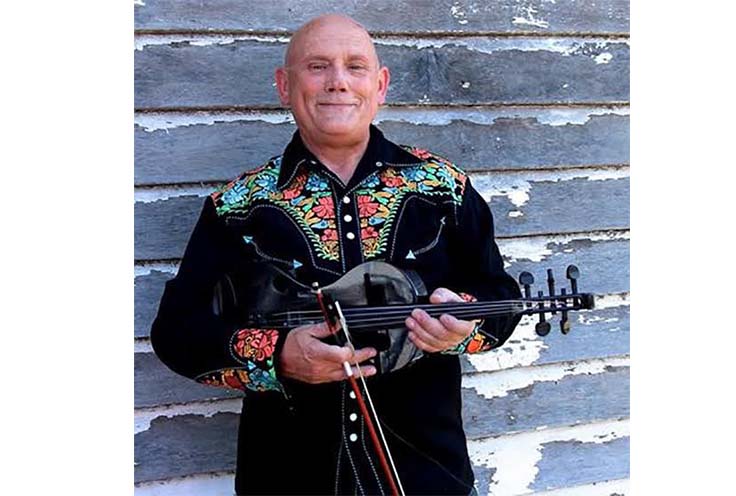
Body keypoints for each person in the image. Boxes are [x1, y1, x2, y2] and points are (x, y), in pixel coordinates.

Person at [151, 14, 521, 496]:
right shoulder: (237, 205)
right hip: (286, 482)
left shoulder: (443, 187)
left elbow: (501, 297)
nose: (338, 82)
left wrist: (464, 325)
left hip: (429, 476)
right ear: (285, 86)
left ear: (380, 85)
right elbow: (177, 332)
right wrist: (278, 356)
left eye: (355, 66)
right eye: (317, 66)